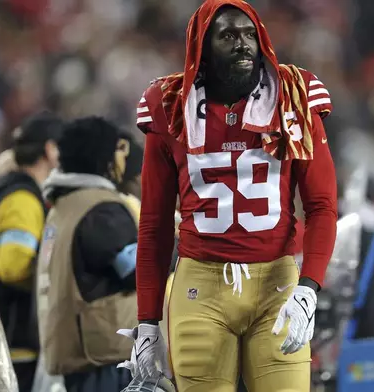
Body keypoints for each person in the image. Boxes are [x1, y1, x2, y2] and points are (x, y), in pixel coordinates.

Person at [122, 0, 338, 391]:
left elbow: (322, 206)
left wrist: (308, 287)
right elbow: (154, 225)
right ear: (202, 49)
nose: (243, 45)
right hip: (200, 285)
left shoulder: (293, 94)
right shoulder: (169, 104)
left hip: (278, 282)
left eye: (249, 34)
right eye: (227, 36)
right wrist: (147, 321)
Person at [36, 117, 139, 392]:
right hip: (104, 354)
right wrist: (178, 242)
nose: (121, 159)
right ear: (100, 154)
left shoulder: (64, 204)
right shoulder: (100, 208)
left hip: (77, 351)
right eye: (116, 150)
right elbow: (138, 270)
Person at [0, 112, 63, 392]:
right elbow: (12, 265)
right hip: (16, 342)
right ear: (49, 149)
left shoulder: (12, 190)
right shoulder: (22, 198)